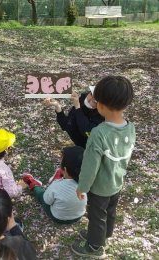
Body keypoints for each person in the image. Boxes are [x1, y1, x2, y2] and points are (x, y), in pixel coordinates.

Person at [71, 76, 135, 259]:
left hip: (100, 188)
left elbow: (91, 166)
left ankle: (94, 246)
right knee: (110, 211)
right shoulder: (130, 127)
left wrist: (82, 187)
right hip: (117, 182)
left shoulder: (99, 133)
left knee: (97, 215)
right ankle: (105, 234)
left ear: (101, 106)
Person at [22, 146, 87, 224]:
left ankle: (33, 185)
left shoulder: (57, 186)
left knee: (41, 195)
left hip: (58, 218)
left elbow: (47, 201)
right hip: (78, 216)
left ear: (65, 170)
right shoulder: (89, 183)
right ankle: (60, 175)